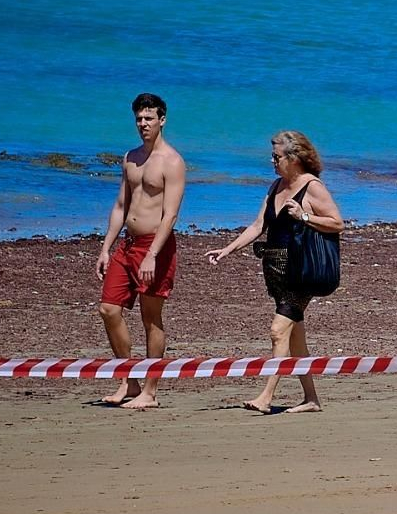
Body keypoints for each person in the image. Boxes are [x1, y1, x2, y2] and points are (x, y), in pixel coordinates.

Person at [205, 130, 343, 414]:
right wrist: (227, 250)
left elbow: (337, 223)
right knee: (295, 338)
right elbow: (258, 226)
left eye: (276, 156)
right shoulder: (276, 187)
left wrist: (303, 216)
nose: (272, 161)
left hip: (302, 272)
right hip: (277, 270)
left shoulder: (312, 187)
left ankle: (266, 396)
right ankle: (311, 400)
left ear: (294, 158)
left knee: (278, 330)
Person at [95, 93, 187, 409]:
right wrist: (106, 247)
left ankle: (150, 390)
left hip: (154, 247)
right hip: (128, 245)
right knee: (108, 308)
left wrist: (152, 255)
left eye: (148, 118)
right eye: (139, 119)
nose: (142, 124)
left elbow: (171, 215)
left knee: (151, 317)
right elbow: (121, 205)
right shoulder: (130, 158)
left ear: (162, 120)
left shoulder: (172, 162)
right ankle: (128, 382)